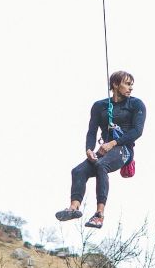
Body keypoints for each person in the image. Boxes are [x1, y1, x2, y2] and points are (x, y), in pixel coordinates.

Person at [55, 71, 146, 228]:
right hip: (104, 150)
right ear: (115, 84)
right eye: (127, 84)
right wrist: (89, 150)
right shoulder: (100, 106)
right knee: (78, 171)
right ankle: (73, 208)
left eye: (132, 85)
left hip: (124, 150)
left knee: (101, 165)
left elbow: (137, 131)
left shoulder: (136, 104)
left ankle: (99, 215)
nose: (131, 88)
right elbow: (91, 131)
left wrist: (113, 143)